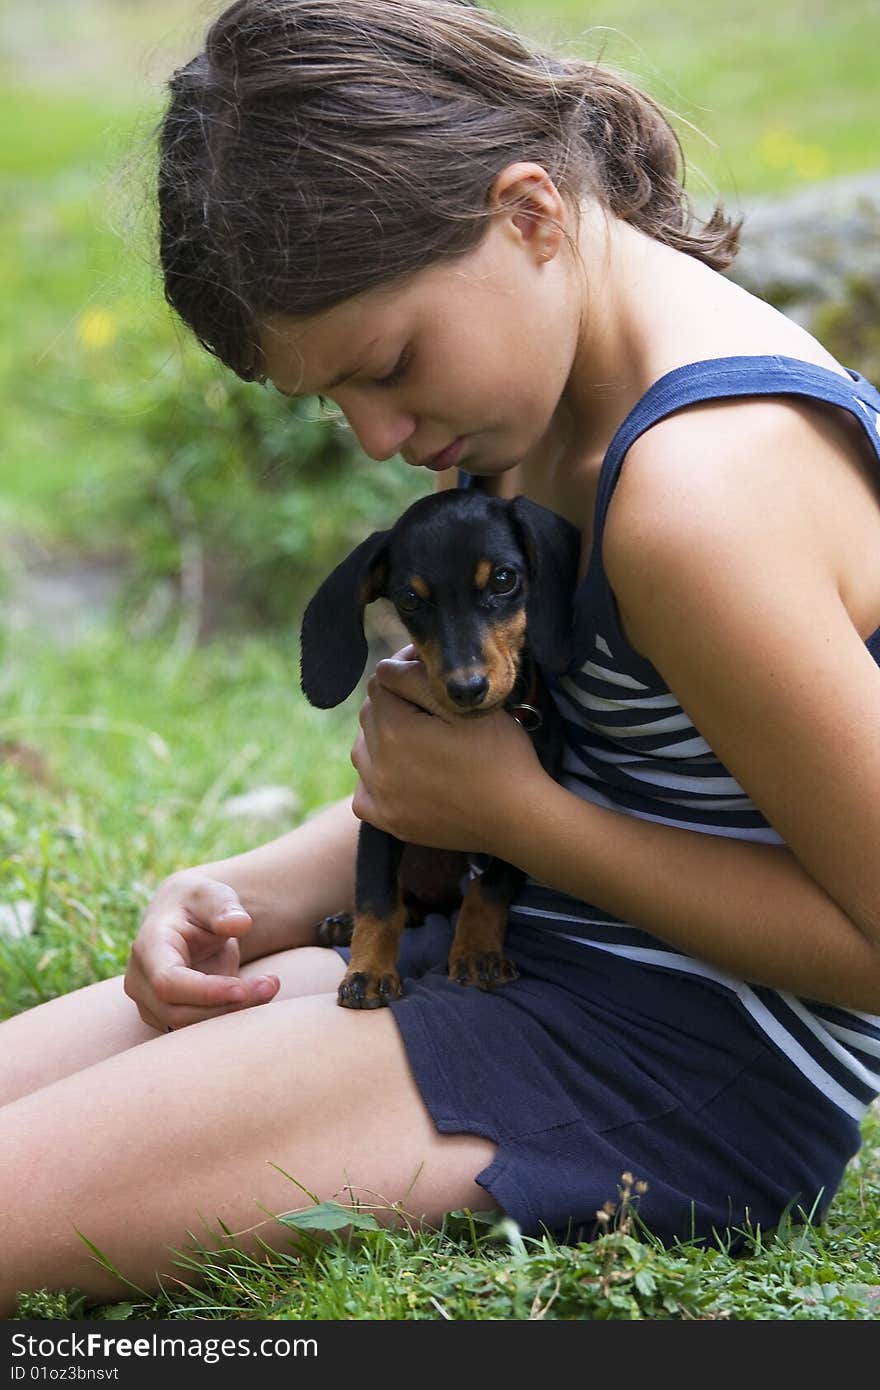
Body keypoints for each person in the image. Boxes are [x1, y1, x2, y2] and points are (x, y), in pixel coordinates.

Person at [3, 0, 880, 1317]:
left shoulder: (698, 496)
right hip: (524, 956)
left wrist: (524, 819)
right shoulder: (539, 401)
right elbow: (547, 762)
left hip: (675, 1069)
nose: (373, 437)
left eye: (391, 362)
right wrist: (248, 879)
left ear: (530, 212)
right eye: (330, 399)